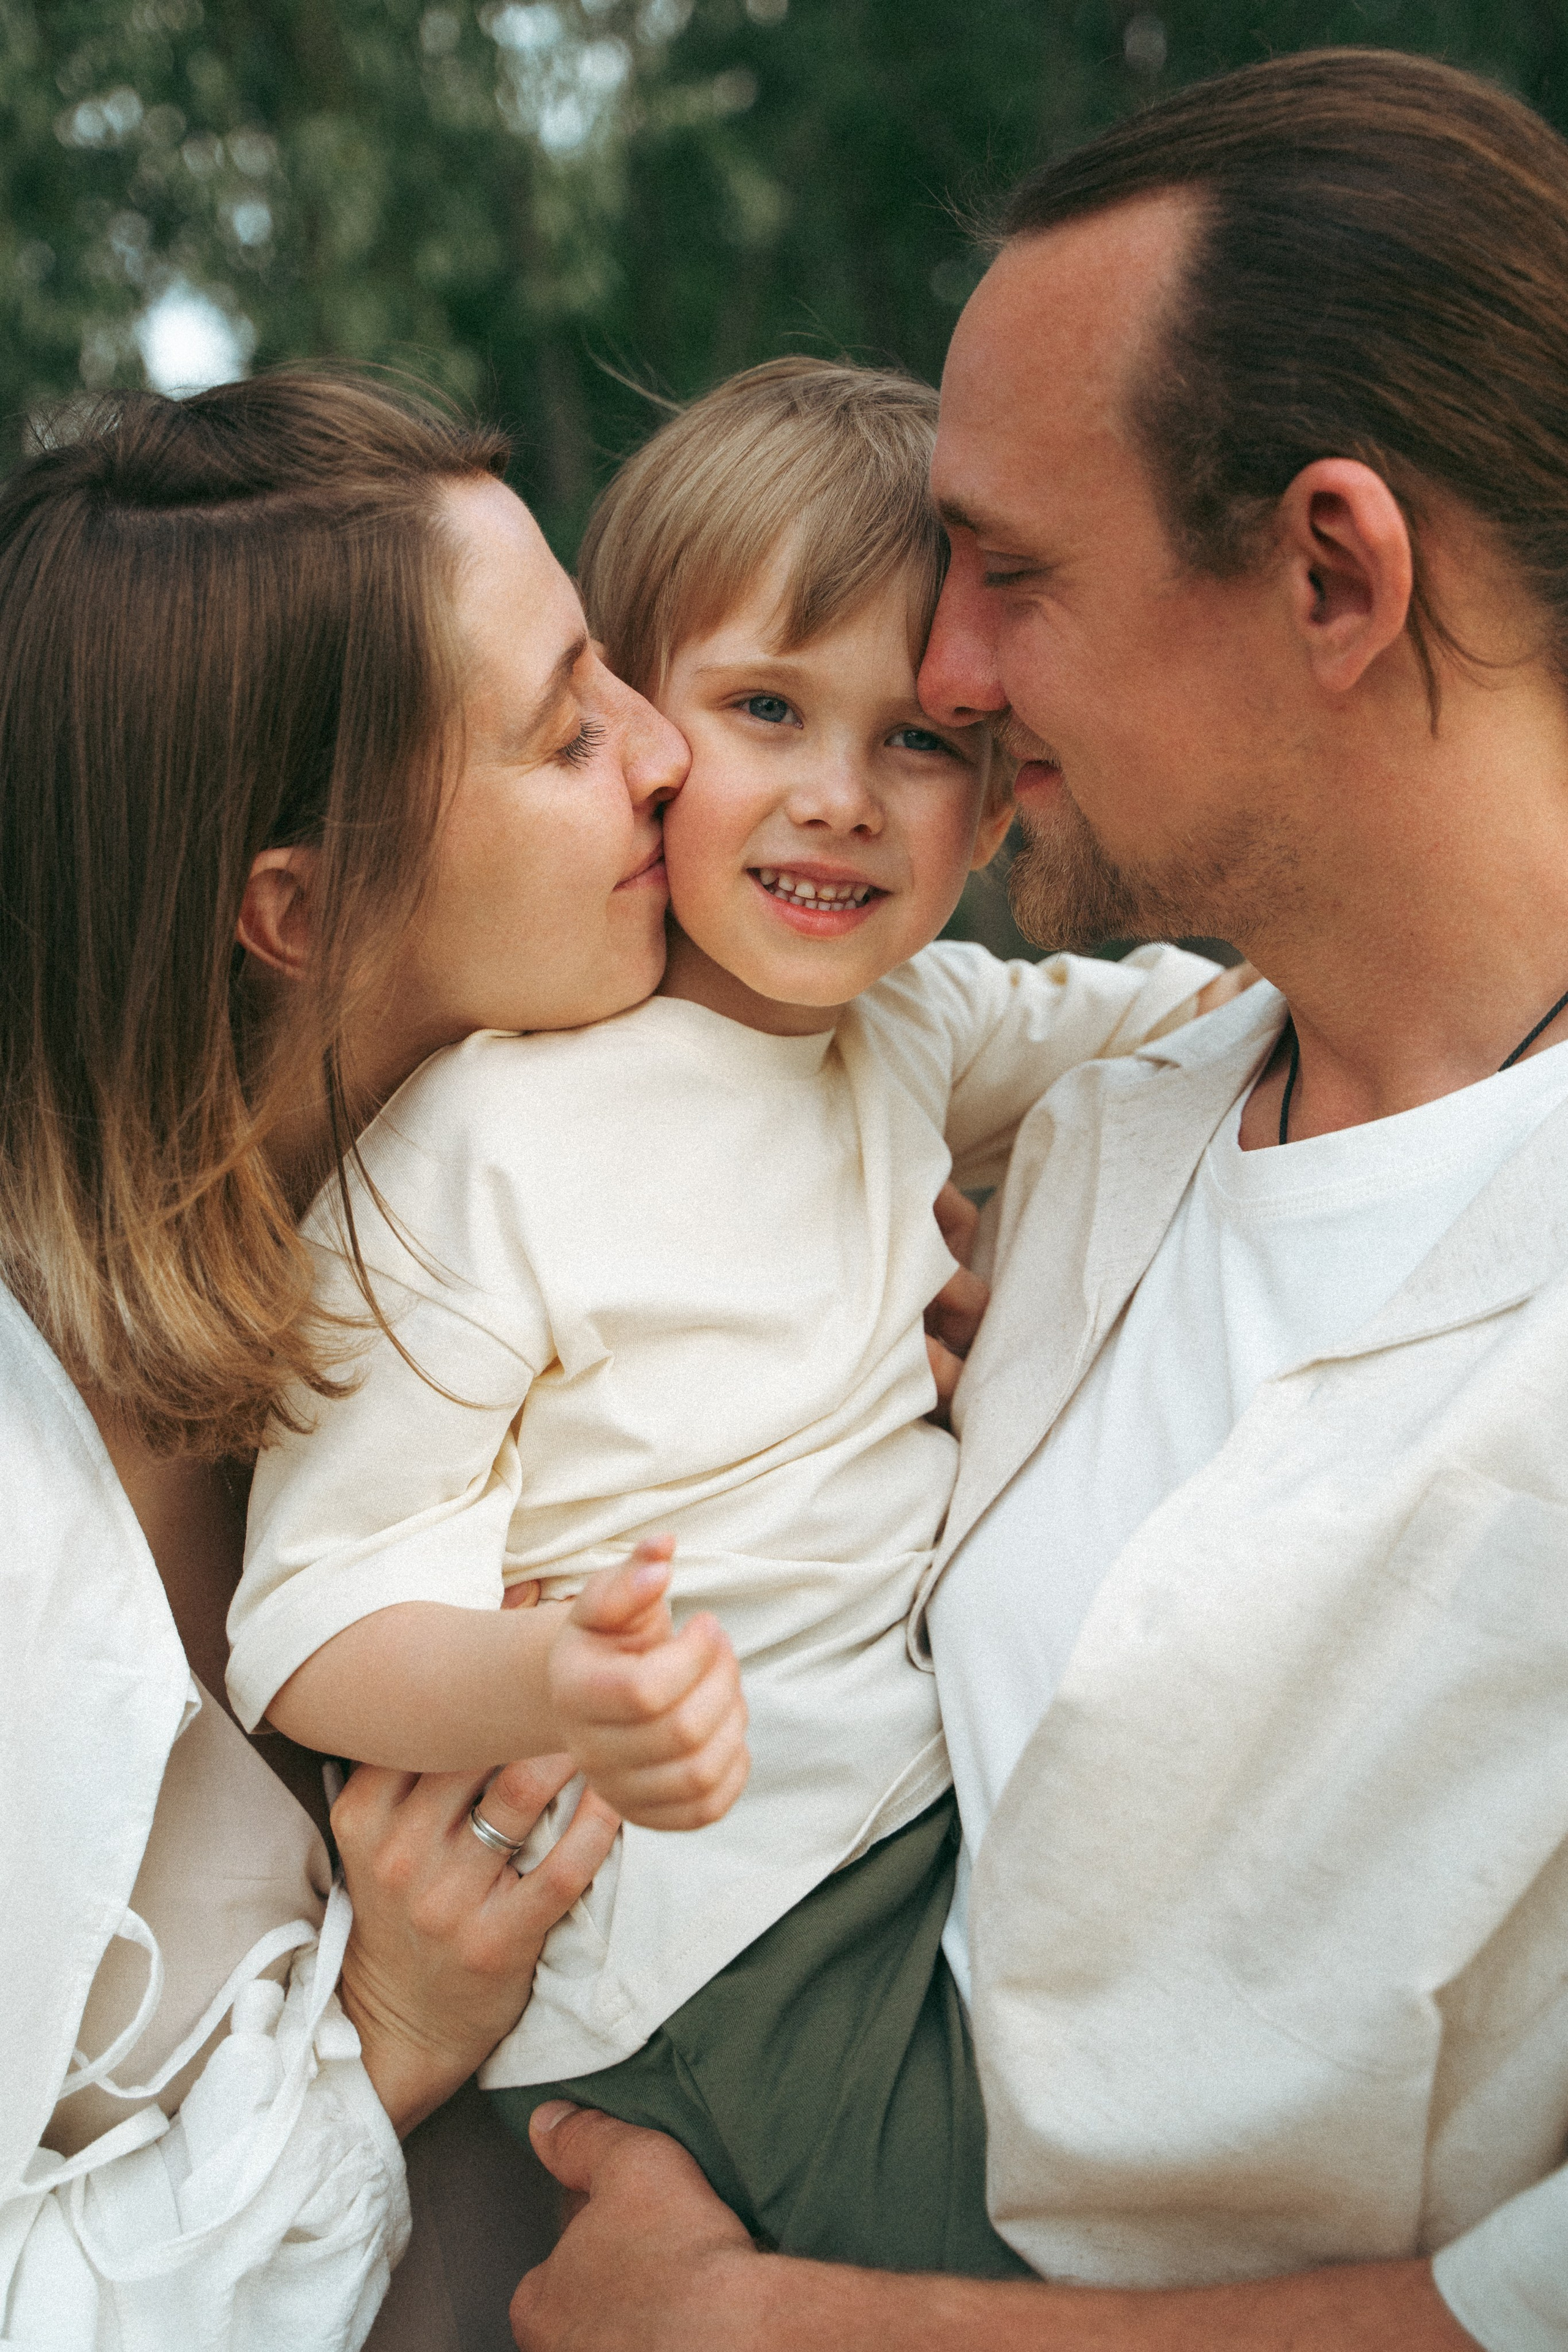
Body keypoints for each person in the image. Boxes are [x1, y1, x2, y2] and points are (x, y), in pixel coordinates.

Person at [508, 47, 1568, 2352]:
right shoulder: (1095, 1132)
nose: (953, 680)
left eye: (1006, 575)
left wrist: (764, 2330)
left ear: (1331, 572)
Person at [227, 359, 1240, 2271]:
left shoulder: (916, 1029)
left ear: (1006, 791)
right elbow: (308, 1618)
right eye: (769, 707)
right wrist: (561, 1691)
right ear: (653, 735)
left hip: (918, 1832)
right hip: (701, 1943)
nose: (842, 802)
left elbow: (1208, 1021)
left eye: (923, 743)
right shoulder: (486, 1146)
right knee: (1077, 2255)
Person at [0, 367, 688, 2348]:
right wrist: (375, 2043)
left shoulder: (498, 1254)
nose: (663, 758)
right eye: (567, 732)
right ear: (301, 906)